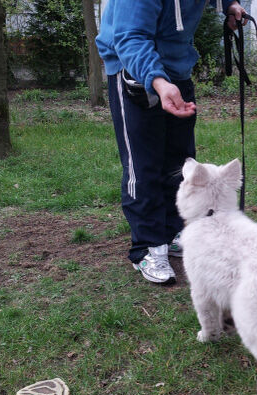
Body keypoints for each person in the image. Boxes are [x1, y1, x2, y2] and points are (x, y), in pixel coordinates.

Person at [96, 0, 247, 284]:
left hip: (177, 67)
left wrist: (231, 4)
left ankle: (173, 232)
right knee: (143, 165)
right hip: (133, 68)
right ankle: (147, 247)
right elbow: (129, 36)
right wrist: (158, 81)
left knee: (180, 161)